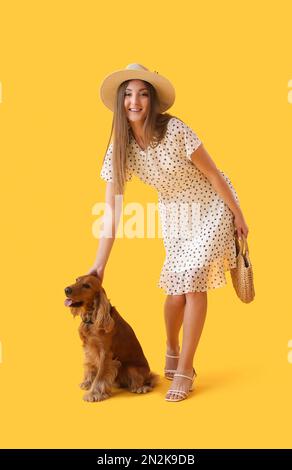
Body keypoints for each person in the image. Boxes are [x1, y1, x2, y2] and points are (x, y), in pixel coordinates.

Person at [87, 63, 249, 402]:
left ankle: (186, 368)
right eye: (128, 94)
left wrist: (238, 214)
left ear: (153, 100)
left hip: (211, 205)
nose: (135, 101)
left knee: (193, 280)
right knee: (175, 296)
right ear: (120, 102)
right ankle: (172, 345)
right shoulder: (121, 147)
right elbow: (112, 211)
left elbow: (216, 175)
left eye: (143, 94)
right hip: (176, 217)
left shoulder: (175, 130)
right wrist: (99, 266)